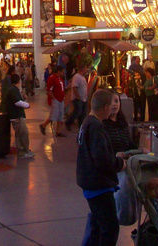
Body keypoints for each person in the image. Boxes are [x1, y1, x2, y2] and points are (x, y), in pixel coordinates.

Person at [77, 89, 127, 246]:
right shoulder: (96, 127)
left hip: (90, 181)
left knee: (98, 225)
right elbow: (102, 159)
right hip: (98, 185)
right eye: (111, 104)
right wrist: (119, 163)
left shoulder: (87, 123)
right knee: (110, 228)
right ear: (105, 107)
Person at [6, 73, 34, 158]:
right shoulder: (13, 90)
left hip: (17, 116)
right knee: (23, 133)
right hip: (17, 116)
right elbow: (17, 102)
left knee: (19, 134)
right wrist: (27, 105)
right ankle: (23, 151)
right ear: (18, 81)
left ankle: (23, 150)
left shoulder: (15, 90)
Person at [40, 65, 66, 137]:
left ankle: (58, 131)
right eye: (62, 72)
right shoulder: (52, 78)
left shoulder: (60, 78)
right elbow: (49, 90)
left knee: (60, 116)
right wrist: (53, 98)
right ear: (59, 71)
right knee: (53, 116)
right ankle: (43, 125)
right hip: (56, 100)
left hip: (60, 99)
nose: (63, 73)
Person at [66, 64, 88, 130]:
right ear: (82, 69)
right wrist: (78, 96)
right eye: (86, 68)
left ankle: (81, 126)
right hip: (78, 99)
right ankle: (68, 122)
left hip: (83, 99)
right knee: (77, 112)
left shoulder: (82, 77)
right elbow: (74, 87)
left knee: (82, 113)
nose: (86, 70)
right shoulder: (77, 77)